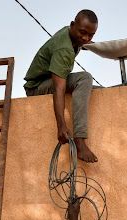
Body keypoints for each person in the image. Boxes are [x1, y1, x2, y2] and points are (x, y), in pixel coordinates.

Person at [24, 9, 99, 163]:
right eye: (83, 33)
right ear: (72, 25)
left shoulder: (73, 36)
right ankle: (80, 141)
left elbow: (83, 40)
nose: (85, 38)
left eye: (90, 35)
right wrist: (61, 126)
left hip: (48, 80)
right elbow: (59, 89)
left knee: (94, 89)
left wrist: (91, 45)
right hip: (36, 87)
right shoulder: (63, 49)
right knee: (85, 79)